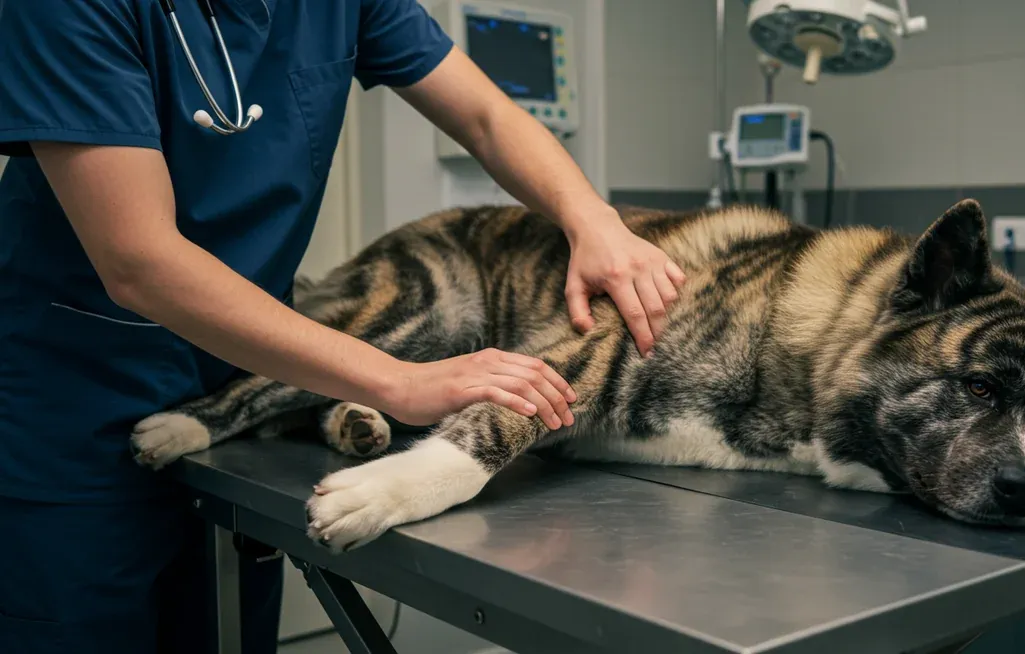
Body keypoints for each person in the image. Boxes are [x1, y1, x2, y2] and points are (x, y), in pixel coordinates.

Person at [0, 1, 686, 652]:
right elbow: (139, 262)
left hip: (248, 367)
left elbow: (484, 116)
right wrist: (398, 381)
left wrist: (592, 219)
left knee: (224, 627)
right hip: (77, 391)